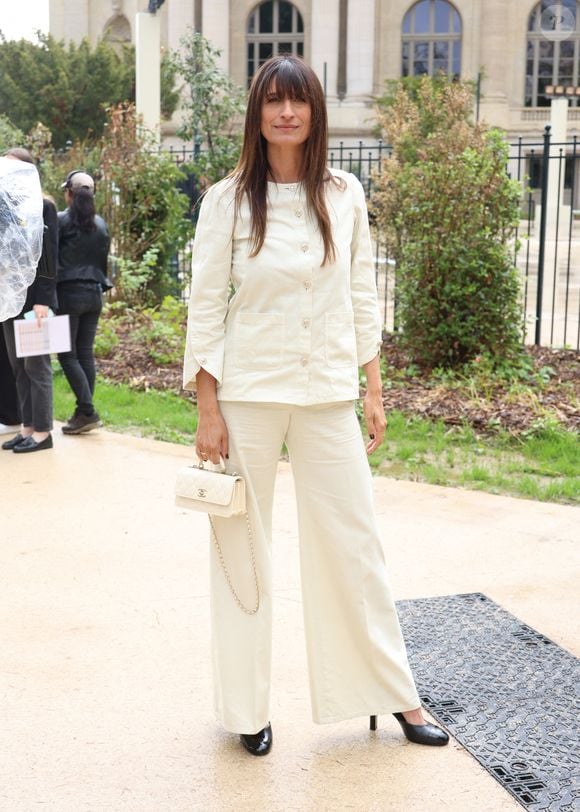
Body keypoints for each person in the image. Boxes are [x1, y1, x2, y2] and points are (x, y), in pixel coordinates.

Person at [183, 55, 449, 757]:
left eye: (298, 101)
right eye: (274, 101)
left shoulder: (345, 194)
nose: (286, 114)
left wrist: (374, 388)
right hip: (247, 395)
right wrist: (207, 408)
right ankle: (246, 708)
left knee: (356, 547)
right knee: (243, 554)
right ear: (258, 113)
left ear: (315, 111)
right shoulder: (227, 200)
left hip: (328, 393)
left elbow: (362, 297)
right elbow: (206, 307)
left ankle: (394, 694)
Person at [1, 148, 57, 454]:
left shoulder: (44, 206)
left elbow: (49, 255)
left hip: (34, 300)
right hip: (10, 301)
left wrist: (43, 301)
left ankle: (43, 432)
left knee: (37, 366)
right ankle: (27, 427)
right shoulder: (6, 207)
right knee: (18, 366)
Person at [56, 170, 110, 434]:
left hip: (69, 295)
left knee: (67, 355)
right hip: (94, 295)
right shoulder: (101, 224)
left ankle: (87, 411)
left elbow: (50, 260)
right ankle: (82, 412)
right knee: (85, 353)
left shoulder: (61, 222)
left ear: (69, 194)